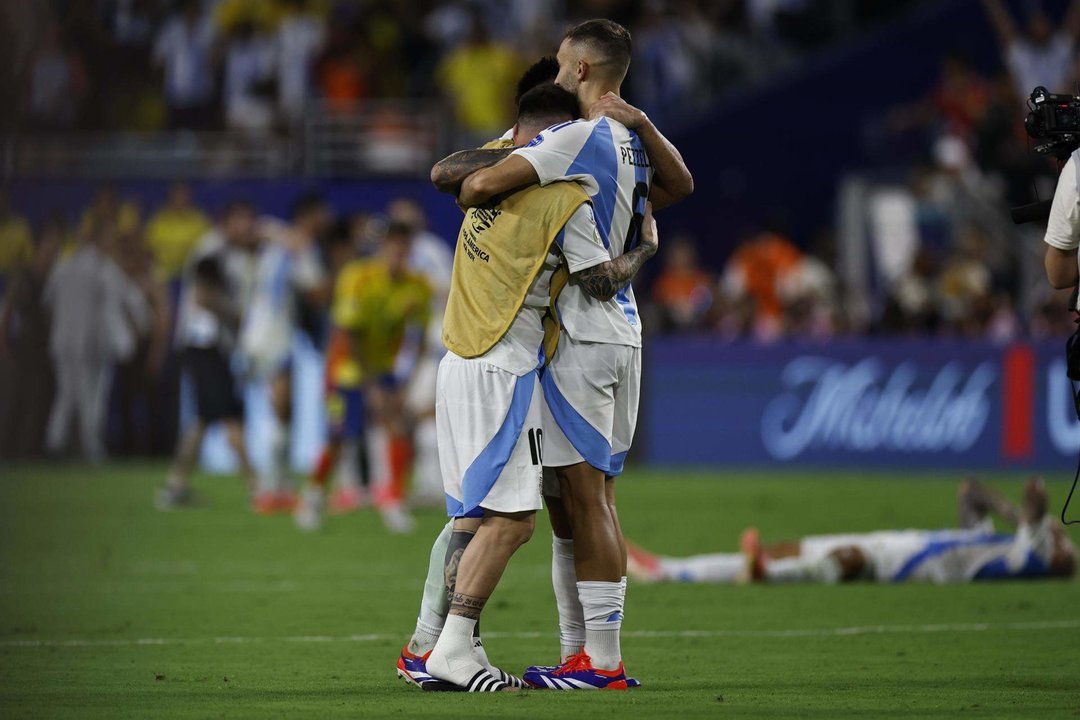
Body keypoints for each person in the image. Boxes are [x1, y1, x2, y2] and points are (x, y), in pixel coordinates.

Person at [429, 19, 693, 690]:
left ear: (578, 73)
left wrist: (496, 166)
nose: (553, 80)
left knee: (584, 496)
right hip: (620, 333)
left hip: (583, 333)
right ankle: (580, 654)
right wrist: (640, 121)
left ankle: (598, 660)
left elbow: (476, 186)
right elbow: (680, 185)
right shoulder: (629, 140)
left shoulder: (572, 137)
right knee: (570, 501)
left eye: (560, 69)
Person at [626, 478, 1076, 585]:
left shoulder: (1025, 557)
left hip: (915, 562)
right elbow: (969, 492)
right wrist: (1010, 512)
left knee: (846, 563)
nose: (1060, 538)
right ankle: (671, 570)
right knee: (784, 548)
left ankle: (768, 574)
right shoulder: (997, 543)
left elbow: (1036, 496)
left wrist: (1033, 522)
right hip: (904, 540)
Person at [294, 223, 431, 533]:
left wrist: (403, 385)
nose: (398, 253)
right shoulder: (358, 278)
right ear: (383, 248)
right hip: (347, 372)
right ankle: (313, 496)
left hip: (384, 372)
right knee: (339, 439)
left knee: (395, 427)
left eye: (403, 247)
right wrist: (372, 388)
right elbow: (349, 334)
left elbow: (420, 337)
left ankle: (394, 502)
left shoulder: (417, 287)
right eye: (392, 246)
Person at [240, 193, 332, 513]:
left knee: (282, 407)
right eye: (322, 213)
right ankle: (269, 487)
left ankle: (278, 484)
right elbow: (319, 293)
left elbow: (255, 231)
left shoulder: (276, 239)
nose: (327, 219)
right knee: (280, 406)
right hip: (272, 336)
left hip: (259, 332)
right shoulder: (299, 247)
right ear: (309, 215)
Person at [44, 217, 149, 462]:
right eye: (108, 238)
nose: (111, 244)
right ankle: (90, 448)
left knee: (67, 393)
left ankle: (55, 444)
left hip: (63, 341)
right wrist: (132, 333)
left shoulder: (64, 266)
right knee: (92, 396)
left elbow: (47, 302)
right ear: (97, 239)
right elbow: (126, 303)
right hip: (91, 343)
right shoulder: (104, 270)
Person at [158, 254, 255, 509]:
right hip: (207, 355)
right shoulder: (205, 291)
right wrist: (229, 308)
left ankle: (174, 486)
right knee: (229, 419)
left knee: (200, 423)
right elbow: (216, 307)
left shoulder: (205, 292)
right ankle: (255, 487)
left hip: (208, 356)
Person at [982, 0, 1080, 101]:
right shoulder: (1022, 55)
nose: (1039, 27)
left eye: (1042, 22)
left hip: (1062, 106)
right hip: (1031, 111)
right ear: (1029, 29)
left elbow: (1074, 21)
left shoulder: (1059, 49)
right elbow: (1002, 24)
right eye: (1035, 24)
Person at [144, 182, 211, 283]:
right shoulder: (158, 220)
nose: (180, 199)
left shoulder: (199, 220)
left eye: (184, 196)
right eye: (177, 196)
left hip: (192, 271)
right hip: (162, 271)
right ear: (170, 197)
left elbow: (209, 248)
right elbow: (147, 249)